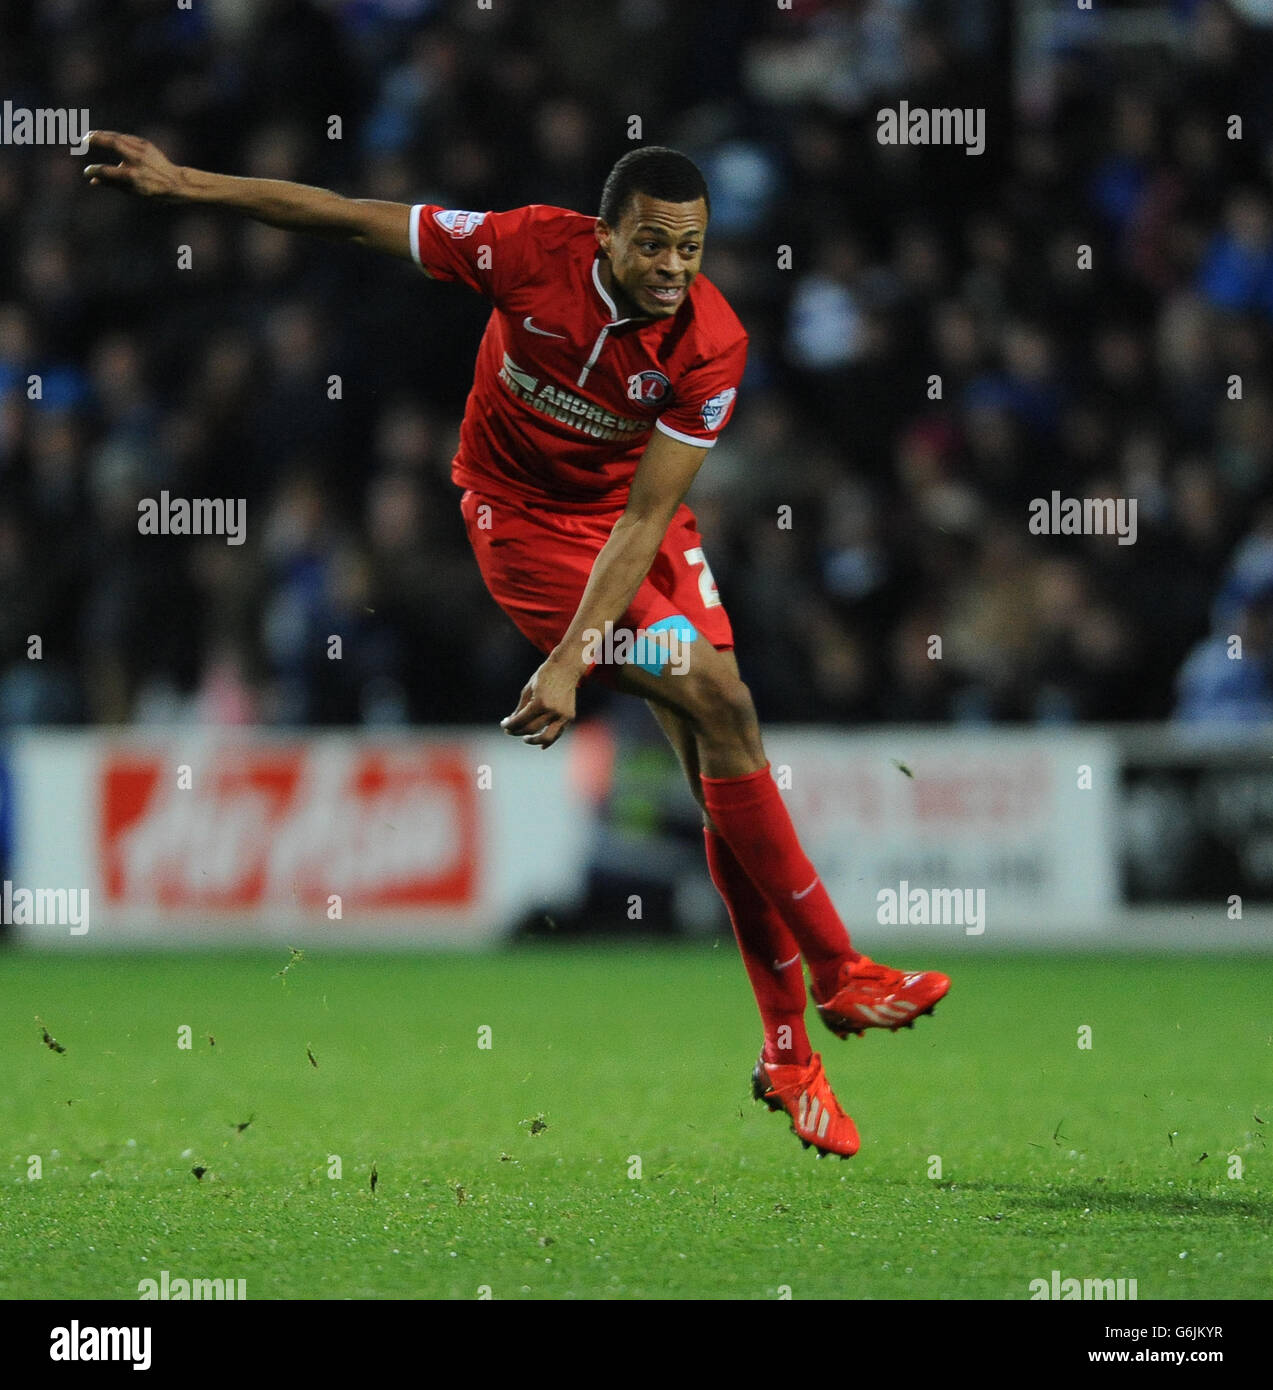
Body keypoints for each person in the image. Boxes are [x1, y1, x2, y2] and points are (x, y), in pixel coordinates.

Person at [84, 131, 950, 1157]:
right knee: (721, 699)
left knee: (713, 744)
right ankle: (838, 965)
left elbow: (643, 520)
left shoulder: (710, 342)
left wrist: (575, 657)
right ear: (605, 234)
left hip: (638, 534)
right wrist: (190, 181)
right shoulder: (523, 249)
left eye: (691, 247)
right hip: (524, 533)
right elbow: (349, 214)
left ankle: (787, 1051)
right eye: (653, 245)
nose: (674, 267)